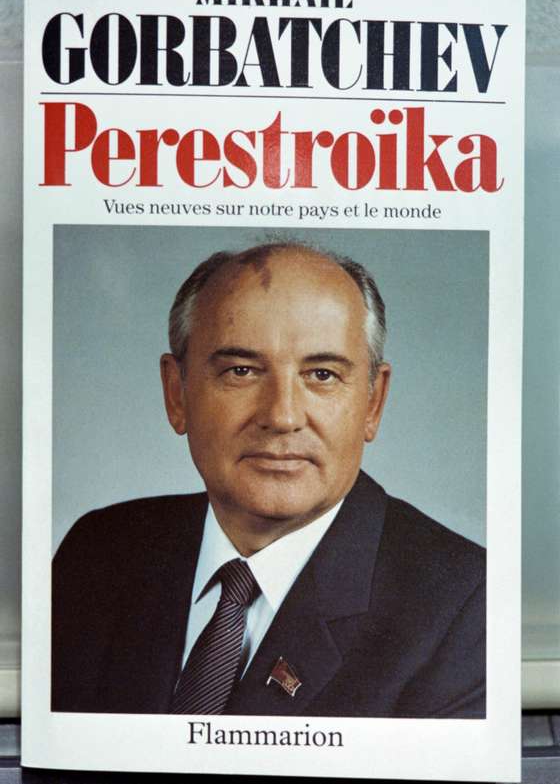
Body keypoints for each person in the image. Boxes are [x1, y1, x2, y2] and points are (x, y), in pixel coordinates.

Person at [52, 241, 485, 718]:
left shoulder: (467, 607)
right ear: (177, 394)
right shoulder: (97, 552)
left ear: (372, 403)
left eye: (321, 374)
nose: (281, 416)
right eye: (241, 371)